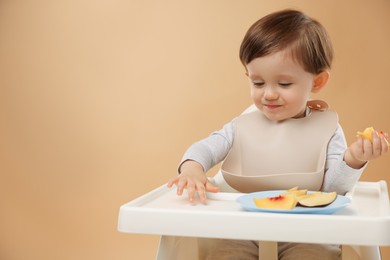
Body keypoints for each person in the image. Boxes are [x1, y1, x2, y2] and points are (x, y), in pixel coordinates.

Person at [167, 9, 389, 259]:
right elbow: (206, 147)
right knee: (224, 253)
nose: (269, 94)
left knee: (314, 254)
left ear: (316, 82)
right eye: (258, 83)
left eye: (284, 84)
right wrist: (192, 169)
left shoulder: (327, 129)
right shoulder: (243, 123)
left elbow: (331, 190)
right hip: (241, 227)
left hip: (306, 229)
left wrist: (353, 158)